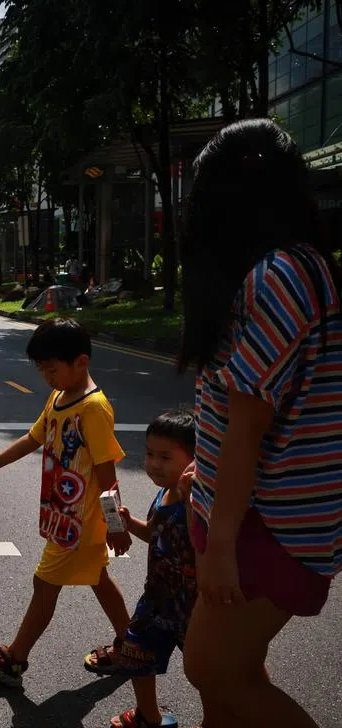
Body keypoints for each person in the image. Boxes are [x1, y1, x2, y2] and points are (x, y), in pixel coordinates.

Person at [177, 118, 342, 727]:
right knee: (230, 683)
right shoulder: (284, 270)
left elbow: (251, 425)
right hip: (239, 510)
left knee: (213, 670)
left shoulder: (280, 276)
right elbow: (233, 405)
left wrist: (220, 545)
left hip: (266, 522)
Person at [0, 318, 133, 687]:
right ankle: (132, 646)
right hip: (63, 514)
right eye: (42, 370)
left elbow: (107, 474)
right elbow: (33, 437)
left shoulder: (93, 409)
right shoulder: (59, 397)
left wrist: (115, 526)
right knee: (100, 579)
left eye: (52, 369)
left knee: (44, 584)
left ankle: (13, 659)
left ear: (81, 362)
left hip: (79, 522)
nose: (47, 377)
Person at [84, 410, 199, 728]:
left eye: (165, 457)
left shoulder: (196, 501)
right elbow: (153, 533)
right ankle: (149, 716)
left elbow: (203, 543)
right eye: (149, 454)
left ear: (194, 459)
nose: (154, 464)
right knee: (136, 650)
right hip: (157, 596)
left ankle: (219, 717)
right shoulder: (163, 494)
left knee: (205, 669)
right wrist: (130, 523)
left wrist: (190, 504)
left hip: (192, 603)